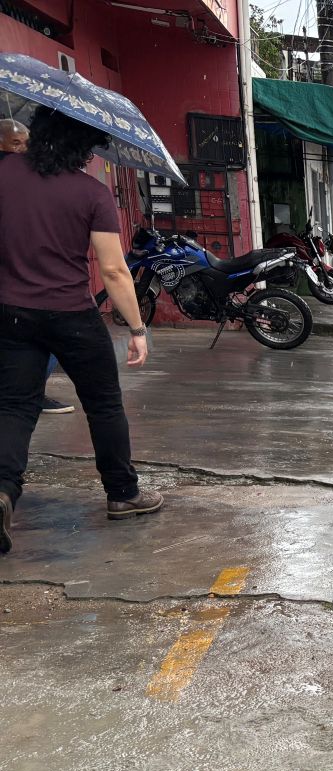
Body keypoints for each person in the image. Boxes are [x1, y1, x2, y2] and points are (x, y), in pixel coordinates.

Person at [0, 107, 159, 555]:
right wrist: (137, 327)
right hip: (72, 312)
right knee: (104, 405)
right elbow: (112, 269)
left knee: (13, 406)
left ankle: (3, 492)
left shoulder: (5, 172)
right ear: (84, 148)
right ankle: (123, 494)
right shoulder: (92, 193)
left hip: (11, 311)